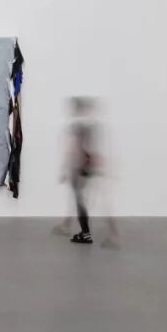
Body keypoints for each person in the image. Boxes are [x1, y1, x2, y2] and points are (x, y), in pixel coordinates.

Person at [62, 96, 98, 244]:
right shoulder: (87, 126)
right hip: (82, 168)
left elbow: (77, 148)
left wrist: (72, 168)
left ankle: (86, 233)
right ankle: (83, 232)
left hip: (79, 169)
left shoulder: (78, 126)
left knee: (80, 202)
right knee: (80, 201)